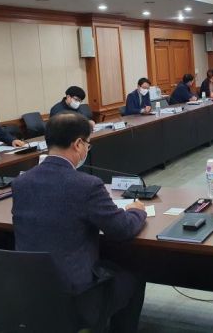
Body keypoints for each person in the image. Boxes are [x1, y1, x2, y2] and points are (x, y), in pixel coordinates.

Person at [12, 113, 147, 332]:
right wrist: (136, 211)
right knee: (134, 277)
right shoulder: (87, 185)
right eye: (87, 144)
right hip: (75, 295)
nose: (87, 150)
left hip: (31, 287)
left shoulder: (21, 182)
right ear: (77, 144)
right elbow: (122, 229)